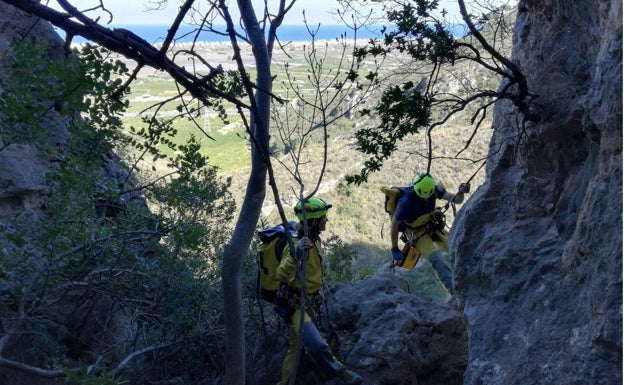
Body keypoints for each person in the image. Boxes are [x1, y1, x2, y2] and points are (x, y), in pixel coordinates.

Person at [274, 197, 363, 385]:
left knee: (295, 346)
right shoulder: (298, 244)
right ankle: (341, 374)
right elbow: (281, 274)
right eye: (324, 218)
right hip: (296, 303)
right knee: (316, 344)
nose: (327, 221)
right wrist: (296, 254)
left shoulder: (314, 240)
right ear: (313, 221)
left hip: (311, 300)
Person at [390, 171, 469, 293]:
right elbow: (394, 224)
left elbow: (456, 200)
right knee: (436, 258)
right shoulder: (406, 201)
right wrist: (395, 248)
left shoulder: (435, 190)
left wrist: (462, 192)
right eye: (423, 196)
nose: (426, 198)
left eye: (428, 195)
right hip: (418, 234)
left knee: (456, 247)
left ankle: (469, 277)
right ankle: (455, 292)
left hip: (433, 225)